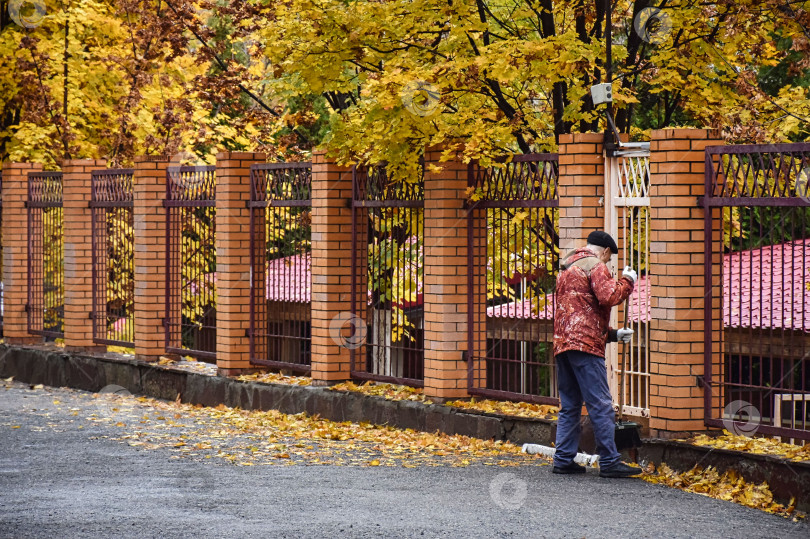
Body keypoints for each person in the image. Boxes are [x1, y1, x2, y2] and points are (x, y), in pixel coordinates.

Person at [552, 230, 640, 478]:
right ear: (606, 252)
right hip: (585, 347)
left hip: (563, 344)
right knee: (600, 405)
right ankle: (610, 461)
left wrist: (612, 335)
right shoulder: (596, 265)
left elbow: (579, 312)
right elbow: (608, 296)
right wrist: (627, 281)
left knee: (569, 406)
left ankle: (563, 459)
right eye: (610, 260)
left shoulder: (567, 268)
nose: (608, 264)